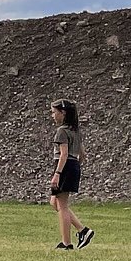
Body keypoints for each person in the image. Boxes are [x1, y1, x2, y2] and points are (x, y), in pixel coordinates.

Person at [48, 99, 92, 249]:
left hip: (64, 166)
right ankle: (82, 230)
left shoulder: (62, 131)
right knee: (54, 202)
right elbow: (83, 154)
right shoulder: (75, 131)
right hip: (73, 165)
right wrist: (75, 167)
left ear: (63, 113)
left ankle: (66, 243)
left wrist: (58, 173)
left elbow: (64, 154)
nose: (52, 115)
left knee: (62, 206)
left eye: (54, 112)